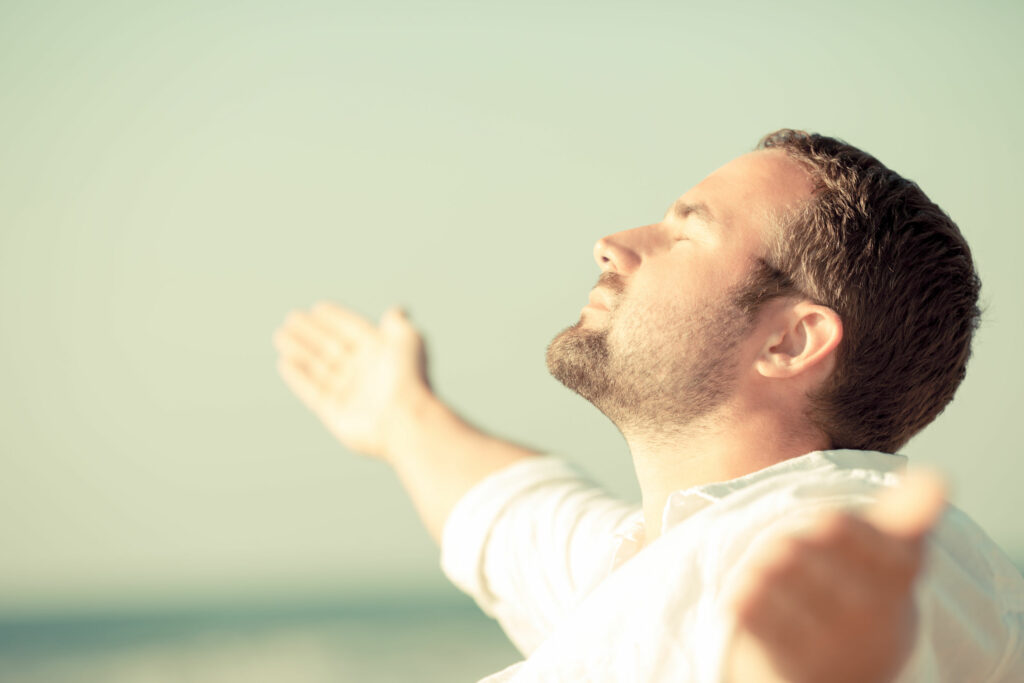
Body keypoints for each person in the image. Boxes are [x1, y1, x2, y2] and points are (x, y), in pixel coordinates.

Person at [271, 130, 1024, 681]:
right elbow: (518, 518)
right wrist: (401, 415)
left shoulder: (862, 550)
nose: (612, 243)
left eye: (685, 232)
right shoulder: (663, 558)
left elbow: (867, 641)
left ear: (792, 340)